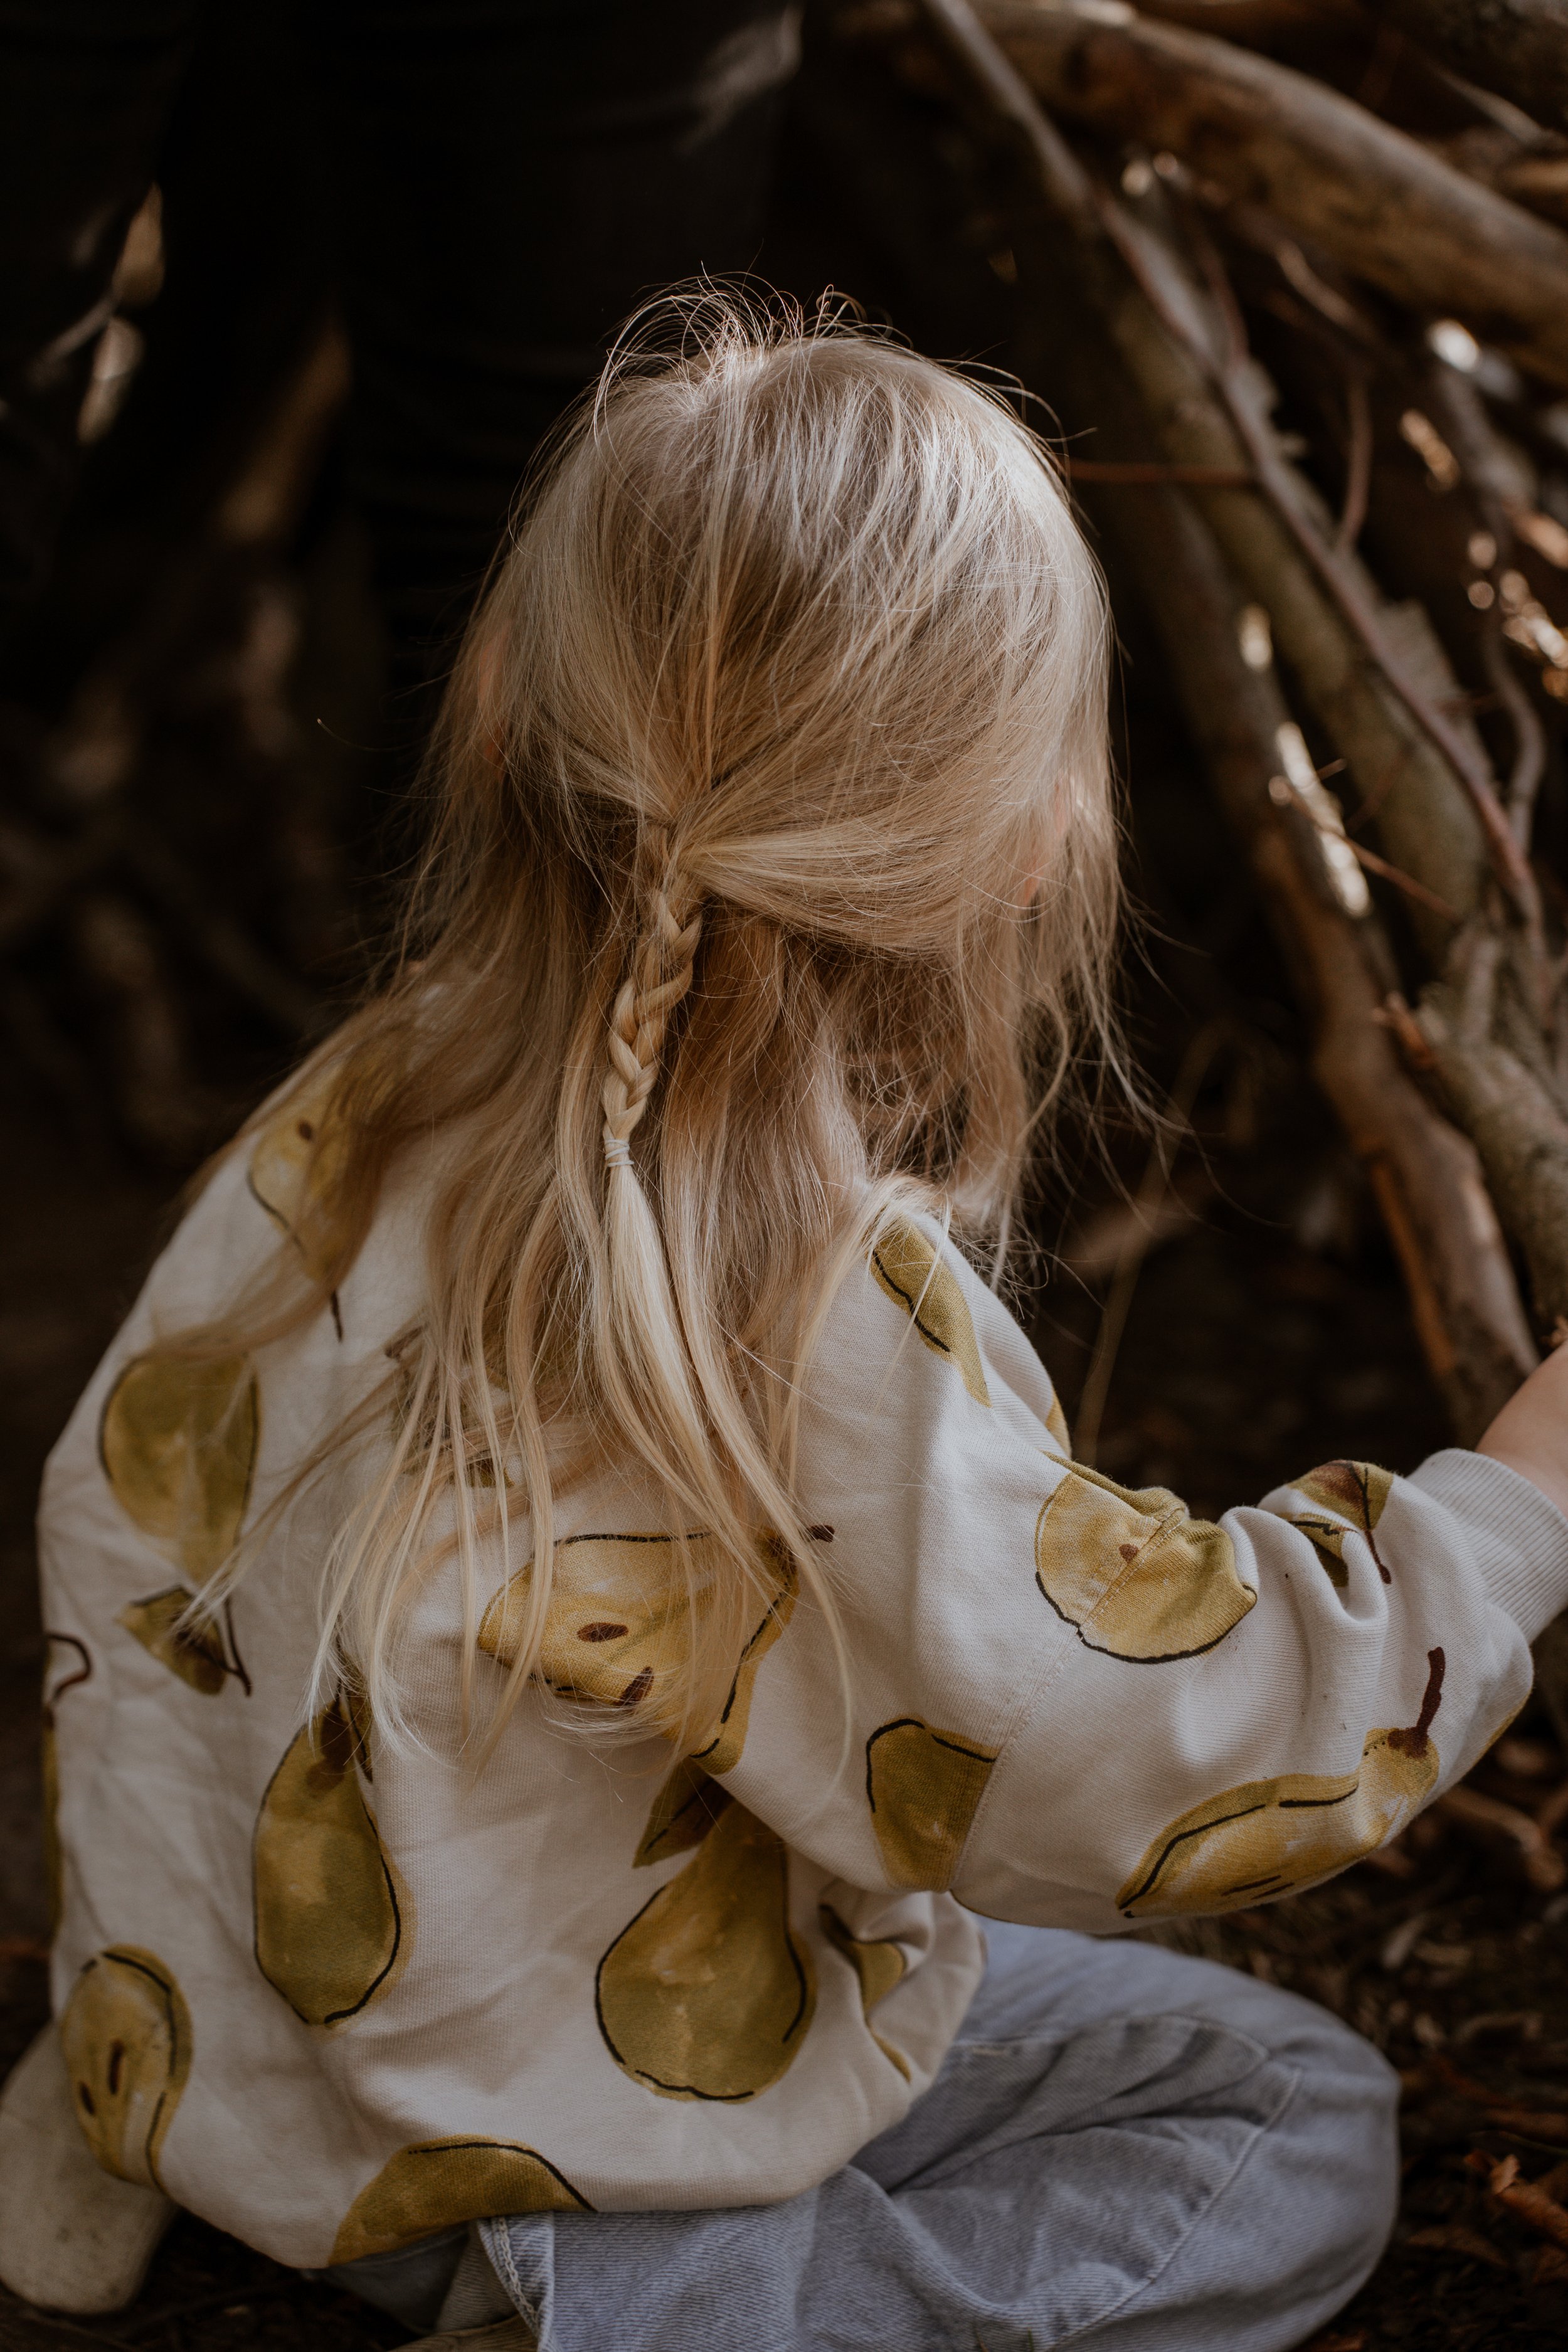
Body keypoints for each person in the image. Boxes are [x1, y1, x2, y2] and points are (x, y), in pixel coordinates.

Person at [7, 293, 1568, 2352]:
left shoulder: (376, 1096)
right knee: (1291, 2120)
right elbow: (1154, 1746)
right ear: (1017, 844)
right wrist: (1511, 1500)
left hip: (226, 2060)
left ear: (511, 725)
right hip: (530, 2147)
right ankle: (664, 2320)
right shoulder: (792, 1308)